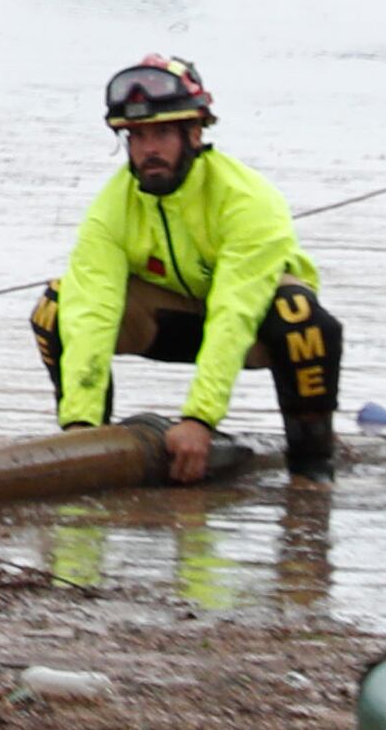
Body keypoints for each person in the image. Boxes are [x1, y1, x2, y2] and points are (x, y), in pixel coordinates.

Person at [34, 55, 345, 479]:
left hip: (256, 329)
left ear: (195, 135)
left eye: (162, 133)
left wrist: (199, 419)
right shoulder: (110, 208)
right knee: (56, 305)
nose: (149, 150)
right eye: (137, 137)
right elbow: (92, 312)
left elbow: (235, 311)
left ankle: (312, 470)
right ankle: (94, 441)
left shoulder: (249, 200)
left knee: (301, 315)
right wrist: (78, 430)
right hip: (171, 323)